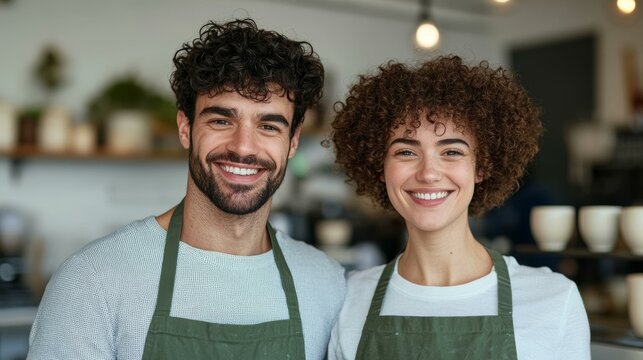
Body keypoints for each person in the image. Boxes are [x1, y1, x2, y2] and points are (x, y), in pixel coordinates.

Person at [28, 19, 346, 360]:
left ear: (292, 142)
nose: (243, 147)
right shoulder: (93, 281)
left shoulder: (326, 285)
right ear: (185, 128)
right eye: (221, 120)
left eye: (268, 126)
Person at [327, 56, 590, 359]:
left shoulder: (552, 301)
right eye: (406, 151)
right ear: (379, 166)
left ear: (482, 167)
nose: (428, 172)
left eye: (452, 151)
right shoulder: (349, 301)